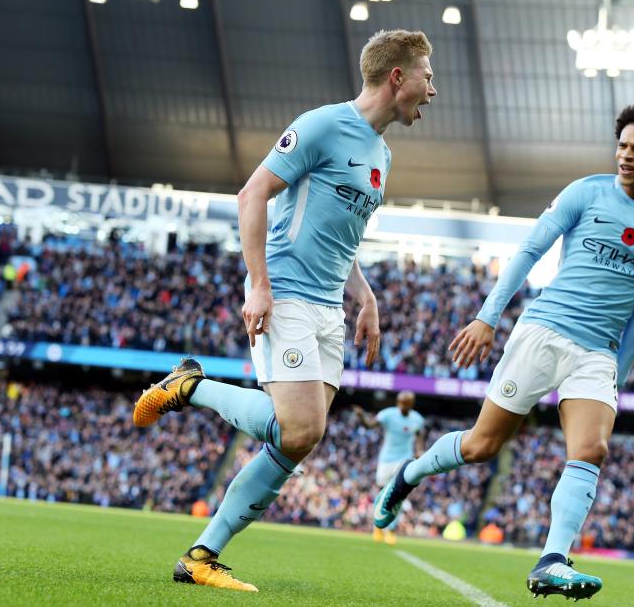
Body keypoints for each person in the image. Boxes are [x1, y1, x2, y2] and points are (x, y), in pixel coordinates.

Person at [132, 29, 437, 592]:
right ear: (398, 77)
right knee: (300, 427)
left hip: (329, 309)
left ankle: (202, 555)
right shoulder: (322, 124)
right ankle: (189, 386)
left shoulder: (382, 154)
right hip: (288, 294)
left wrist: (364, 295)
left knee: (298, 439)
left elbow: (339, 240)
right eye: (427, 75)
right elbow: (252, 196)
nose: (432, 89)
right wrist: (258, 284)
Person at [373, 102, 634, 601]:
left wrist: (617, 378)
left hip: (597, 355)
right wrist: (487, 316)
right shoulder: (586, 192)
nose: (626, 156)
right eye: (622, 146)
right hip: (543, 332)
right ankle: (408, 476)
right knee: (482, 447)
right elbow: (530, 249)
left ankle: (552, 560)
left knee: (591, 449)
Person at [352, 390, 424, 544]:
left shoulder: (417, 420)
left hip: (404, 460)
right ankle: (378, 527)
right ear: (398, 402)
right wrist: (362, 417)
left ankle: (391, 530)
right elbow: (370, 425)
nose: (403, 406)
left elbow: (419, 439)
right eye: (402, 403)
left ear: (411, 404)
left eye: (407, 403)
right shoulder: (388, 414)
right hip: (386, 460)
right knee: (382, 494)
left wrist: (420, 453)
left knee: (398, 495)